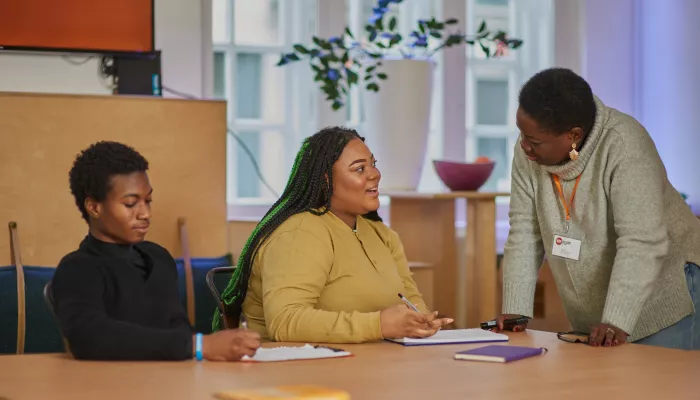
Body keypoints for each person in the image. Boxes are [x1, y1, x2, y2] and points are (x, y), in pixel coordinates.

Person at [493, 67, 700, 350]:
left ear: (573, 136)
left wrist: (617, 320)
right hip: (602, 309)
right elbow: (524, 232)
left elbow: (641, 242)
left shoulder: (625, 145)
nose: (524, 146)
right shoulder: (528, 151)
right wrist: (516, 306)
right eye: (521, 134)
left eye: (534, 141)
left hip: (663, 295)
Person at [214, 127, 453, 343]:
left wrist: (423, 322)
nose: (375, 174)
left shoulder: (382, 234)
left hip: (372, 367)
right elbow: (285, 321)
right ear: (326, 181)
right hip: (299, 375)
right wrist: (378, 324)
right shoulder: (300, 233)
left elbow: (409, 298)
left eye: (373, 164)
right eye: (360, 168)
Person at [52, 141, 261, 361]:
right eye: (131, 204)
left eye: (148, 200)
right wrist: (199, 345)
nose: (145, 213)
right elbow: (89, 338)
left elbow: (178, 330)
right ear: (94, 207)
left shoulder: (158, 258)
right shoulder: (77, 269)